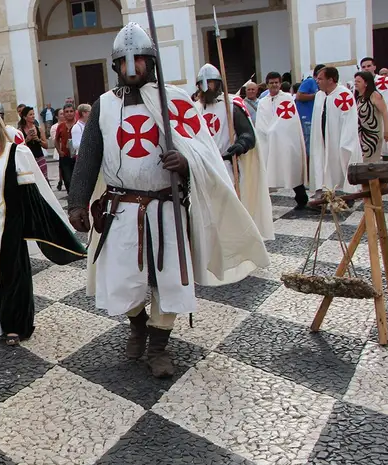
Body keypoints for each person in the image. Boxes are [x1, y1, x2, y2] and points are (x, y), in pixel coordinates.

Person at [67, 23, 269, 379]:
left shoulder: (173, 101)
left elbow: (204, 151)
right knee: (123, 276)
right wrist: (78, 202)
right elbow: (89, 158)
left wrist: (186, 163)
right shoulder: (104, 106)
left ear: (151, 61)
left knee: (168, 279)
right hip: (121, 209)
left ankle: (159, 345)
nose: (133, 67)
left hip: (165, 207)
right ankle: (138, 325)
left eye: (140, 59)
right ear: (116, 66)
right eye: (125, 61)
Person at [0, 108, 86, 346]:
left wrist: (43, 226)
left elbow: (29, 194)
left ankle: (14, 325)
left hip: (8, 224)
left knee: (11, 273)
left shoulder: (15, 153)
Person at [194, 64, 274, 240]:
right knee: (208, 210)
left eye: (210, 83)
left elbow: (248, 134)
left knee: (229, 207)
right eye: (202, 84)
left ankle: (234, 241)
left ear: (218, 84)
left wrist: (241, 144)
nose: (206, 88)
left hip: (227, 166)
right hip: (204, 168)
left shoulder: (232, 106)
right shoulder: (195, 109)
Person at [255, 72, 309, 209]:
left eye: (276, 82)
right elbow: (261, 121)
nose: (274, 85)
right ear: (267, 85)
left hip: (286, 140)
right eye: (271, 83)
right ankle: (265, 202)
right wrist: (268, 132)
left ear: (280, 83)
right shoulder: (262, 102)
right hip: (268, 140)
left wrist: (275, 130)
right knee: (268, 167)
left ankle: (301, 198)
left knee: (291, 166)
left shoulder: (287, 99)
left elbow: (289, 120)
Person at [309, 66, 362, 193]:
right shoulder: (319, 96)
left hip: (338, 139)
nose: (317, 81)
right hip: (322, 138)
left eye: (320, 79)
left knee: (341, 166)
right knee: (323, 164)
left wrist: (345, 144)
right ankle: (325, 190)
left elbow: (349, 122)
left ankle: (348, 193)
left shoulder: (344, 95)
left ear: (331, 80)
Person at [354, 71, 388, 162]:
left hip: (372, 136)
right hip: (360, 135)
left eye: (358, 81)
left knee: (371, 164)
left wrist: (386, 131)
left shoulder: (375, 95)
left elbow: (385, 113)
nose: (355, 83)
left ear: (366, 83)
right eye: (355, 81)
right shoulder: (357, 97)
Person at [296, 64, 326, 167]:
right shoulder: (309, 82)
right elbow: (299, 96)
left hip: (316, 118)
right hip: (307, 118)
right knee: (309, 148)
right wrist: (317, 95)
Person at [18, 106, 48, 179]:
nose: (33, 116)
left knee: (44, 179)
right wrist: (27, 139)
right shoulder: (20, 130)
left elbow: (46, 145)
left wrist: (38, 139)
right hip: (28, 159)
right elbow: (18, 146)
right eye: (30, 114)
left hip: (39, 157)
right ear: (25, 117)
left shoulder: (39, 129)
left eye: (33, 114)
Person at [373, 72, 388, 159]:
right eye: (364, 66)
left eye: (369, 66)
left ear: (374, 67)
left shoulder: (384, 81)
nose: (366, 68)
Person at [54, 103, 77, 192]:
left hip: (77, 156)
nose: (69, 113)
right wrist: (59, 151)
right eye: (67, 112)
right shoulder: (61, 126)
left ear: (74, 112)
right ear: (64, 113)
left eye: (71, 111)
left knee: (77, 179)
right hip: (65, 156)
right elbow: (56, 140)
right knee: (67, 179)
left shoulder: (78, 124)